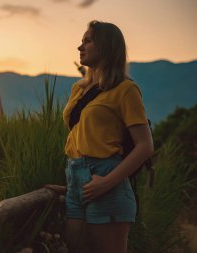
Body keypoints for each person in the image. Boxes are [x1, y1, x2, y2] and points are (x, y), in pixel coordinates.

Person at [46, 20, 154, 253]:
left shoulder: (125, 89)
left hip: (107, 181)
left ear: (106, 47)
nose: (80, 47)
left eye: (88, 41)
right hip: (76, 181)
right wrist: (72, 181)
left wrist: (106, 182)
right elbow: (81, 136)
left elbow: (145, 146)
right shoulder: (79, 89)